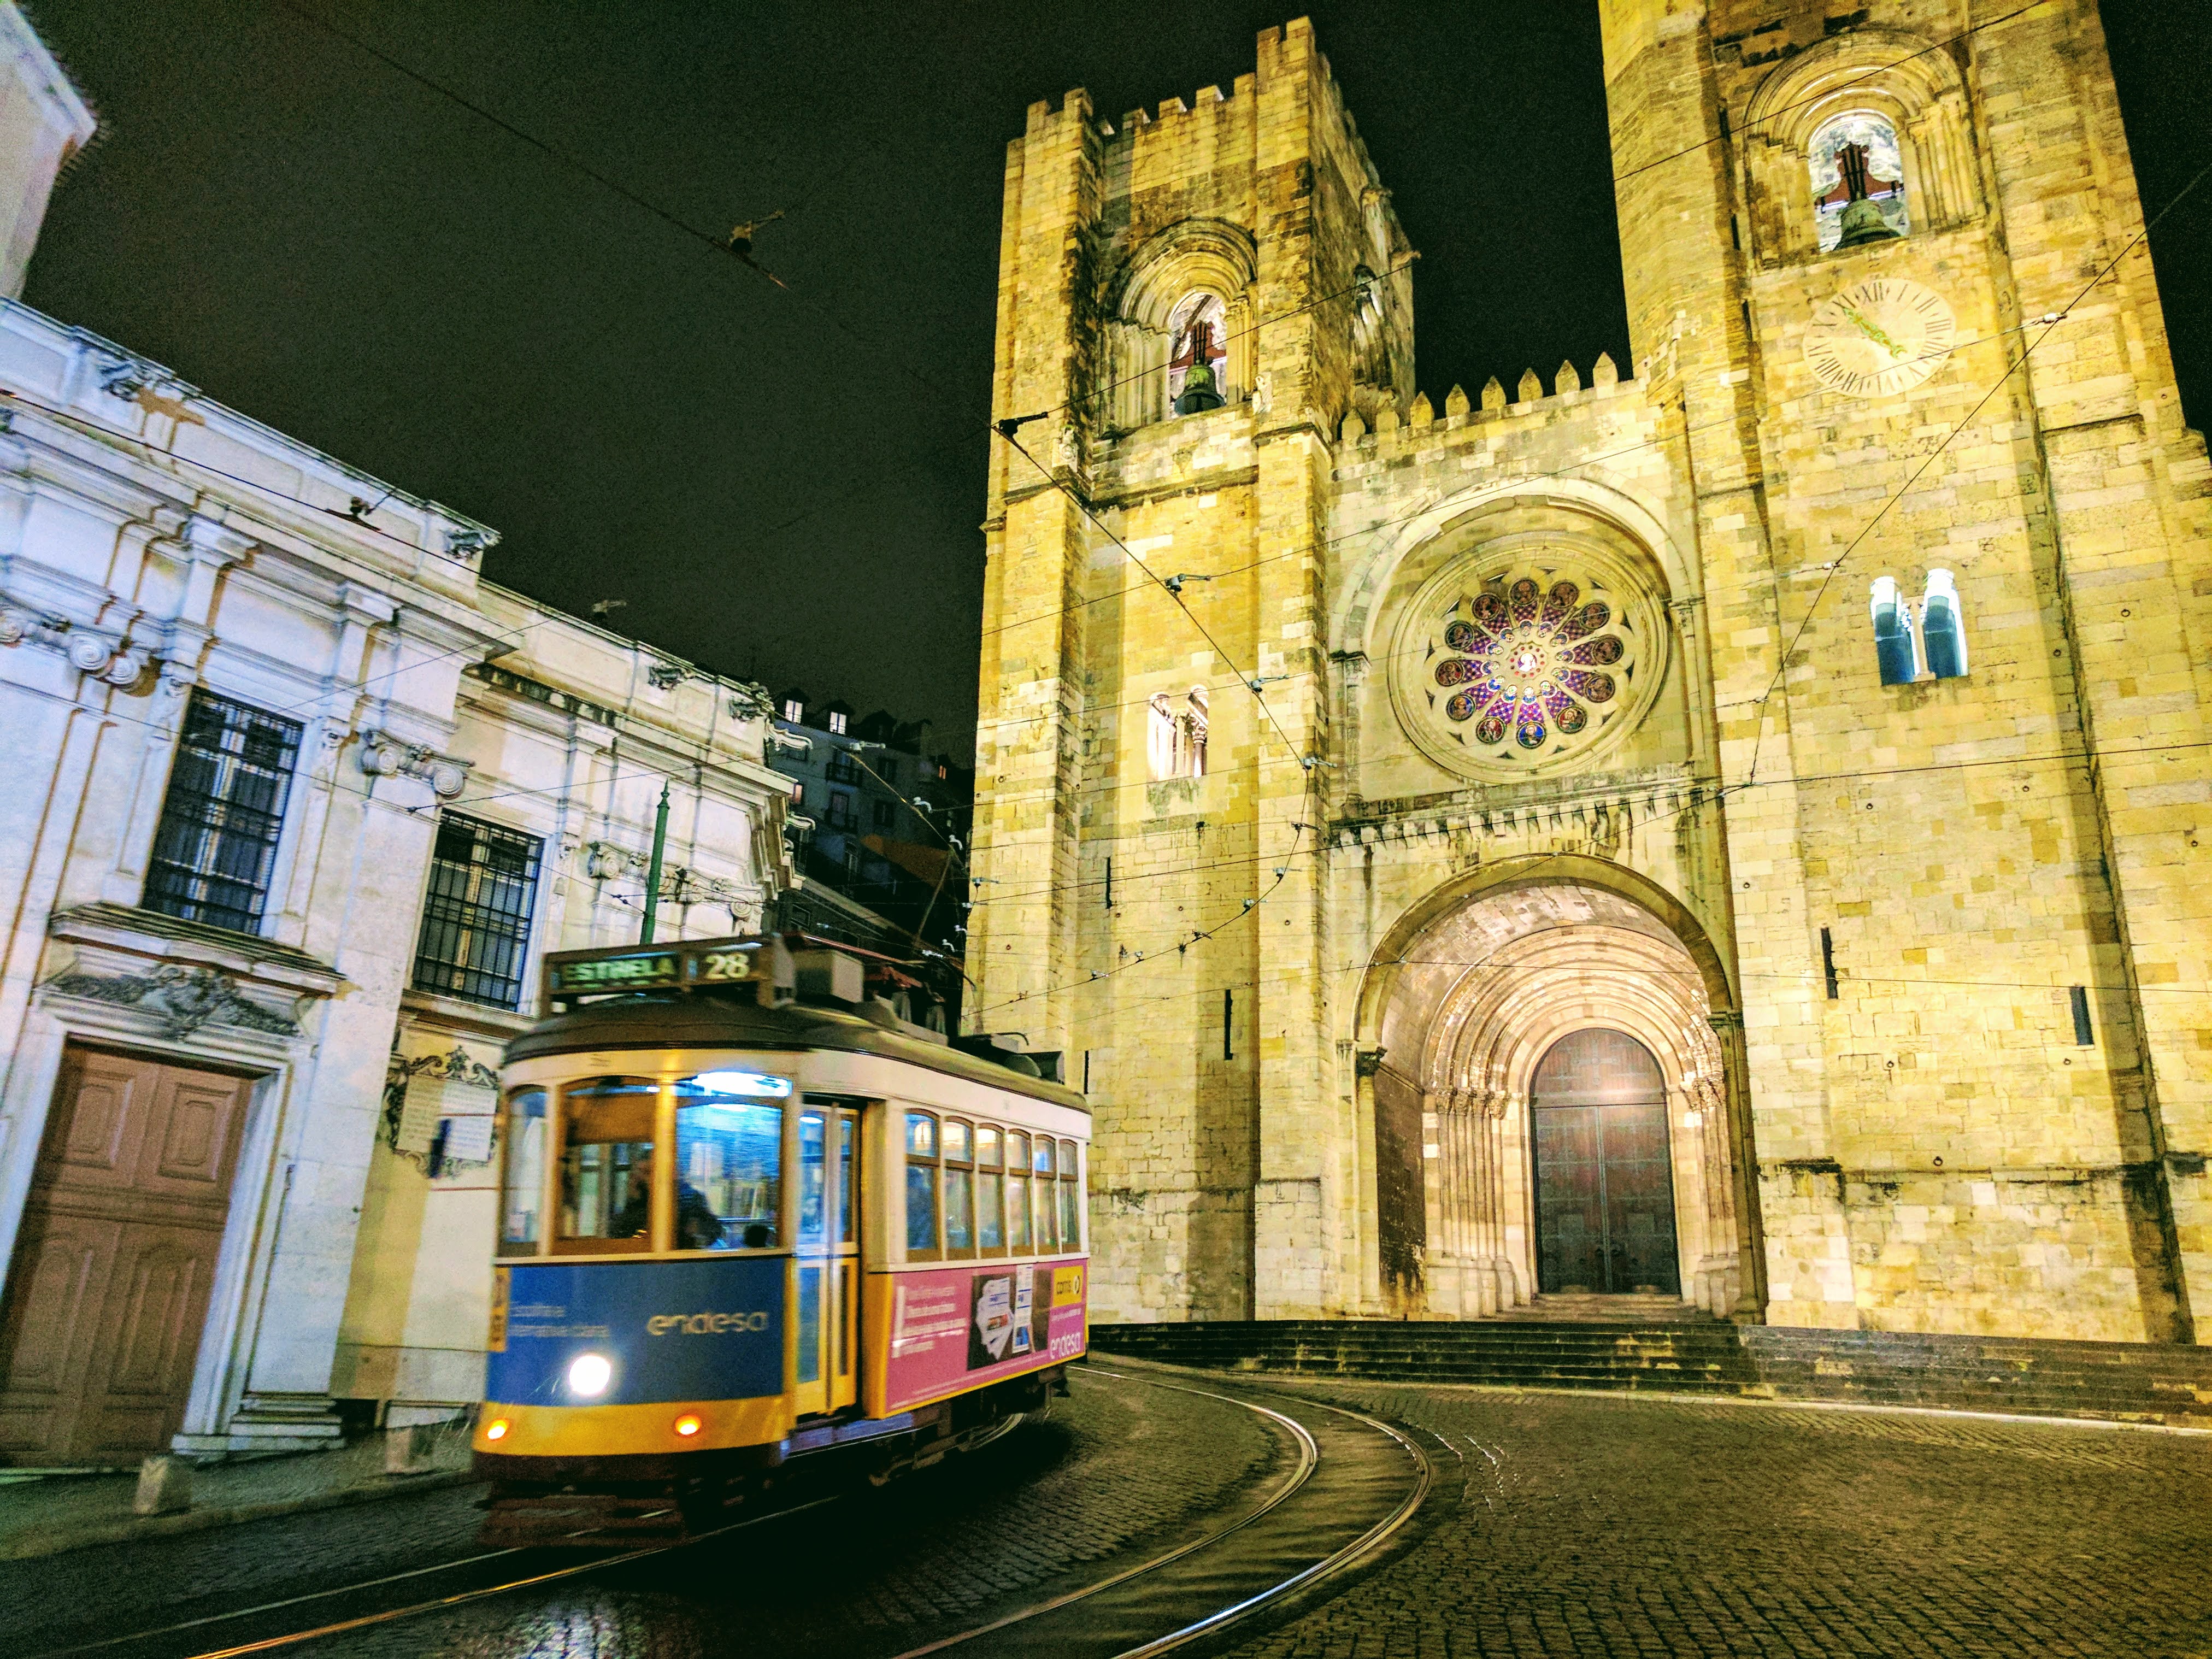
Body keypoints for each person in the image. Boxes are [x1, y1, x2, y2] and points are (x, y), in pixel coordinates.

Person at [610, 1149, 725, 1249]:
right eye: (638, 1173)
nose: (639, 1178)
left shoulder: (689, 1198)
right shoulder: (638, 1200)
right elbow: (617, 1235)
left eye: (647, 1173)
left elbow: (712, 1230)